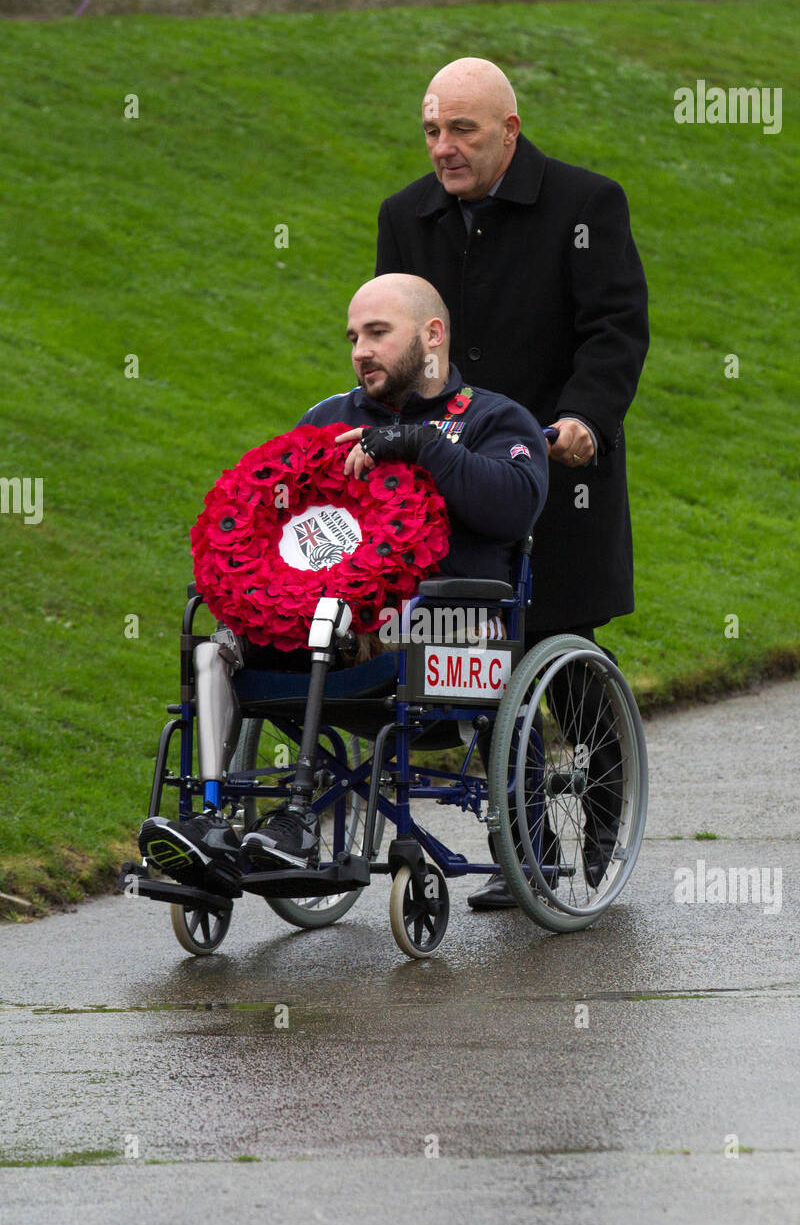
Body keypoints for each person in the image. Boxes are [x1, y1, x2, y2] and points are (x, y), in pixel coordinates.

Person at [137, 273, 548, 891]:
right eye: (354, 336)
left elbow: (515, 507)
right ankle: (208, 825)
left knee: (337, 616)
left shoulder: (497, 418)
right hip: (324, 632)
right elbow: (272, 521)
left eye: (378, 333)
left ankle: (300, 819)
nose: (360, 350)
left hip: (449, 630)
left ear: (432, 335)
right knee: (215, 645)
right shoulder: (327, 419)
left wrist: (420, 447)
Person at [376, 57, 649, 907]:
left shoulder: (584, 205)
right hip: (450, 473)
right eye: (432, 130)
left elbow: (614, 332)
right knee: (480, 655)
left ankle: (599, 819)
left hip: (551, 466)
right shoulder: (407, 216)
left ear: (510, 129)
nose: (444, 148)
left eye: (463, 130)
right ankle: (524, 847)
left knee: (553, 643)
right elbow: (396, 336)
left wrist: (583, 423)